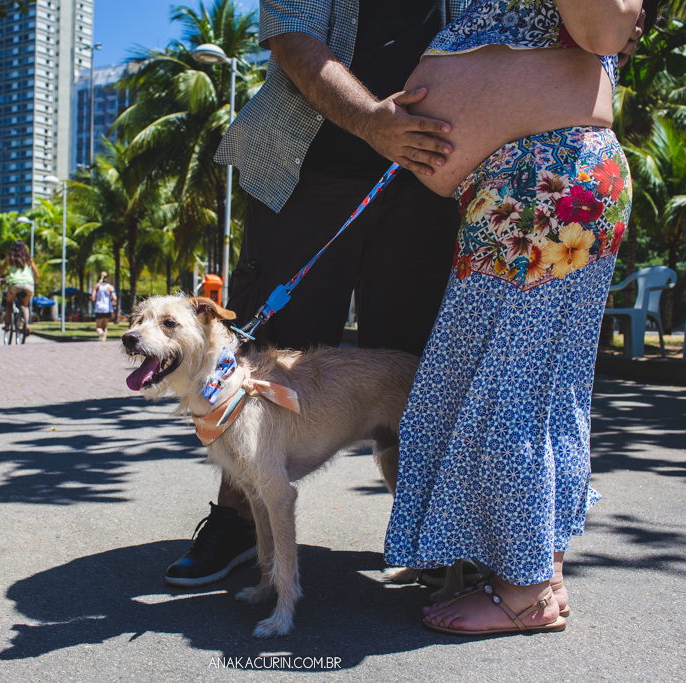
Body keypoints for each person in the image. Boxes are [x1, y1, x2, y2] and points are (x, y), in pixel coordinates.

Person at [163, 0, 470, 588]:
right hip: (307, 170)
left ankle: (431, 535)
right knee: (266, 361)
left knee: (412, 367)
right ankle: (236, 521)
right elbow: (292, 34)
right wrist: (374, 122)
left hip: (430, 174)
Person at [382, 0, 654, 635]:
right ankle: (540, 572)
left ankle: (524, 591)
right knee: (536, 385)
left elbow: (605, 21)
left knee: (514, 387)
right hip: (535, 181)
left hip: (545, 184)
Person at [0, 241, 39, 337]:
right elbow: (36, 273)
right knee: (25, 305)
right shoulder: (28, 259)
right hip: (28, 285)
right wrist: (35, 282)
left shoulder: (10, 259)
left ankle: (7, 325)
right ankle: (26, 325)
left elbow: (0, 272)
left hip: (15, 285)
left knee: (9, 302)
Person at [92, 272, 117, 340]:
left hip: (99, 308)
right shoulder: (110, 287)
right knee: (105, 326)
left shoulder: (96, 286)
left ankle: (101, 332)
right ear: (107, 278)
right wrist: (113, 301)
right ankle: (103, 340)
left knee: (98, 326)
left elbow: (93, 298)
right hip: (107, 308)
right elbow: (114, 297)